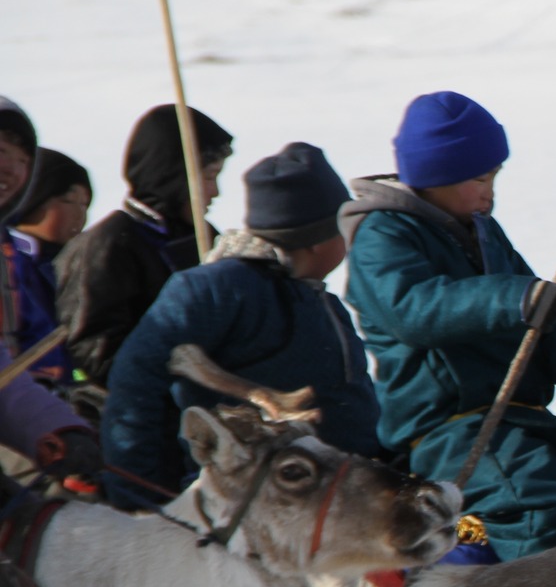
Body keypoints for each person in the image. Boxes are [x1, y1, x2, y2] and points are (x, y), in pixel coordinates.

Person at [341, 91, 556, 560]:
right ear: (435, 174)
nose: (489, 191)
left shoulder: (482, 230)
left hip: (517, 420)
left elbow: (544, 314)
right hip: (447, 430)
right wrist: (515, 300)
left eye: (494, 176)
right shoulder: (382, 236)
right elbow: (413, 309)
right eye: (479, 178)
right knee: (546, 505)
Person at [102, 143, 380, 508]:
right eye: (342, 229)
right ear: (317, 241)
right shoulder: (216, 289)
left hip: (335, 497)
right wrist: (139, 493)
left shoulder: (320, 302)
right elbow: (136, 378)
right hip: (249, 507)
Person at [57, 103, 234, 416]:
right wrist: (172, 378)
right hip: (139, 415)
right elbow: (95, 350)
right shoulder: (111, 243)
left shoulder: (204, 237)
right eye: (209, 176)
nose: (216, 191)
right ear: (173, 174)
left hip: (209, 408)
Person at [4, 148, 92, 384]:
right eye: (69, 201)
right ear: (34, 197)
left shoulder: (80, 264)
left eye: (85, 205)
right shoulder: (13, 261)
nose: (80, 214)